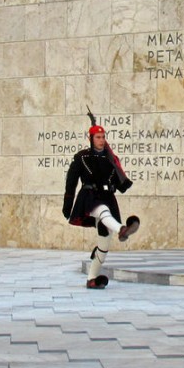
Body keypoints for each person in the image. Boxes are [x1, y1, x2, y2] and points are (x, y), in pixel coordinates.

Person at [63, 124, 140, 289]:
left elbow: (121, 184)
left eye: (103, 137)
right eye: (98, 137)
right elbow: (71, 182)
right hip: (90, 197)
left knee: (104, 242)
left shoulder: (110, 158)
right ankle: (122, 229)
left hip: (107, 197)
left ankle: (92, 278)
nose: (101, 140)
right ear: (90, 139)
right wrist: (67, 205)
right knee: (102, 211)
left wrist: (121, 178)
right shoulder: (82, 157)